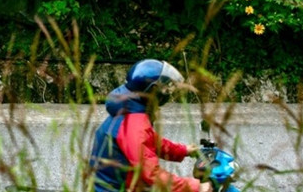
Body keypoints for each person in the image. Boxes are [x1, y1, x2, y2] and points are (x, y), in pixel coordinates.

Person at [88, 59, 213, 192]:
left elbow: (149, 140)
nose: (167, 91)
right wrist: (196, 187)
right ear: (152, 90)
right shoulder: (134, 123)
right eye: (164, 87)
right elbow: (151, 174)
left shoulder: (129, 109)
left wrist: (183, 150)